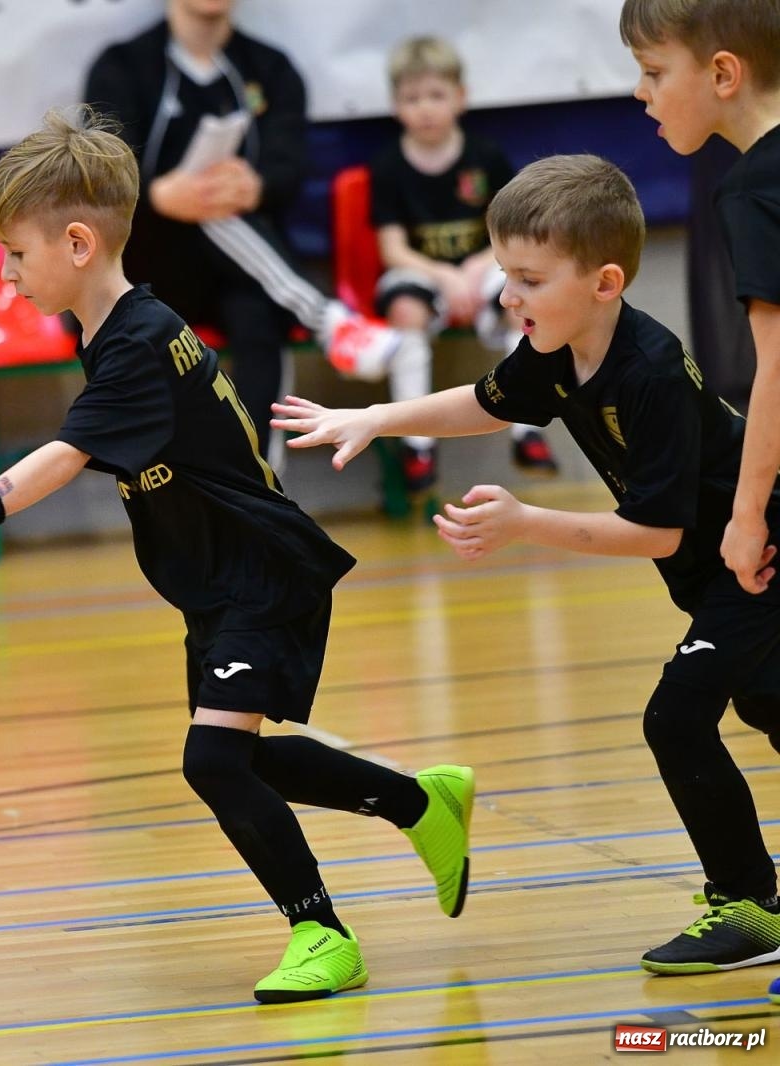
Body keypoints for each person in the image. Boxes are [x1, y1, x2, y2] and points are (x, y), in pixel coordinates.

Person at [0, 108, 474, 1003]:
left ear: (78, 242)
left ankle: (322, 933)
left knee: (211, 763)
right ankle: (418, 803)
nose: (5, 276)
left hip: (258, 571)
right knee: (236, 760)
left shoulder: (133, 340)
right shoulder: (111, 327)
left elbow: (66, 454)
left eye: (15, 253)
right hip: (218, 576)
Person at [273, 154, 780, 977]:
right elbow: (487, 401)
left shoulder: (648, 369)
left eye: (529, 279)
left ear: (605, 281)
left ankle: (751, 903)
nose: (509, 297)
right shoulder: (557, 345)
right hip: (717, 571)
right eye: (506, 273)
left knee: (676, 717)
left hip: (758, 561)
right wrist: (375, 416)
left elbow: (654, 532)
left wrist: (522, 523)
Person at [84, 0, 401, 442]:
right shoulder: (122, 65)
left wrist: (255, 185)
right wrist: (158, 194)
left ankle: (260, 490)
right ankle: (327, 320)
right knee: (208, 211)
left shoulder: (269, 68)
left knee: (259, 315)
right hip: (151, 266)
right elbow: (101, 171)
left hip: (246, 274)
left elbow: (289, 166)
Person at [621, 0, 780, 601]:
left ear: (722, 74)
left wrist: (747, 516)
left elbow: (779, 366)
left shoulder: (753, 194)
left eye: (654, 71)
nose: (640, 91)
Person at [368, 35, 557, 492]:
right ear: (396, 106)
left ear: (460, 97)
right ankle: (416, 446)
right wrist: (445, 277)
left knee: (526, 303)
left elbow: (511, 233)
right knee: (405, 312)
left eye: (436, 95)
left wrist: (474, 269)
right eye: (412, 98)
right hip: (421, 272)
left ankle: (527, 430)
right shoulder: (389, 166)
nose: (426, 108)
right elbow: (392, 249)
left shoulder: (485, 157)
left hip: (484, 265)